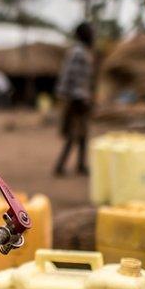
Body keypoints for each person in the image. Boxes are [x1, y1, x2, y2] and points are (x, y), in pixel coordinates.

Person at [53, 21, 94, 176]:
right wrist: (81, 98)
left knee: (83, 133)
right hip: (77, 100)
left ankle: (81, 165)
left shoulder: (80, 51)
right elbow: (74, 77)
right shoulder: (79, 53)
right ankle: (60, 165)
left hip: (78, 98)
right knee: (74, 133)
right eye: (91, 32)